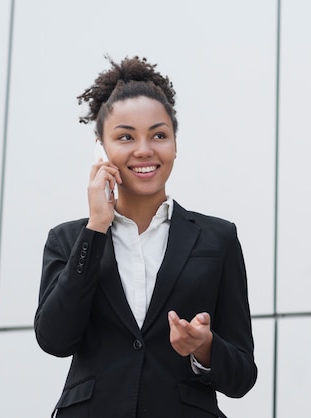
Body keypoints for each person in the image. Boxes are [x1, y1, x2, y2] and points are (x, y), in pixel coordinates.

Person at [34, 56, 257, 418]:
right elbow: (55, 340)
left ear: (174, 143)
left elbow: (243, 375)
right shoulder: (69, 239)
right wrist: (96, 227)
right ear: (101, 148)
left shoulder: (218, 239)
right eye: (125, 136)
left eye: (158, 135)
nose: (144, 150)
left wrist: (205, 347)